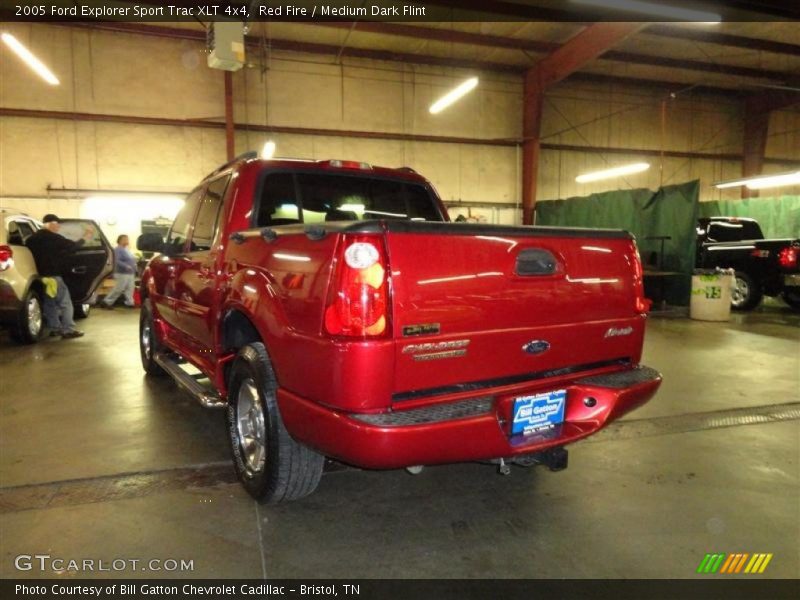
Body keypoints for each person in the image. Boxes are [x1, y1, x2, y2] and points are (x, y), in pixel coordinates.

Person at [26, 214, 92, 339]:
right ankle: (68, 330)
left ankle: (54, 328)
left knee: (49, 303)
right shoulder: (55, 238)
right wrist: (85, 237)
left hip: (40, 278)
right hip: (54, 276)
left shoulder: (30, 240)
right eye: (57, 225)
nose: (58, 227)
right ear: (51, 224)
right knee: (65, 303)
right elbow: (73, 247)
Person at [100, 235, 137, 309]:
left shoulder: (126, 249)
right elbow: (116, 261)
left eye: (127, 239)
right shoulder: (118, 249)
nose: (127, 240)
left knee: (130, 288)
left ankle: (130, 303)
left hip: (130, 273)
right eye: (125, 239)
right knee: (119, 288)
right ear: (120, 240)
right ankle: (106, 302)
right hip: (121, 273)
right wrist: (126, 266)